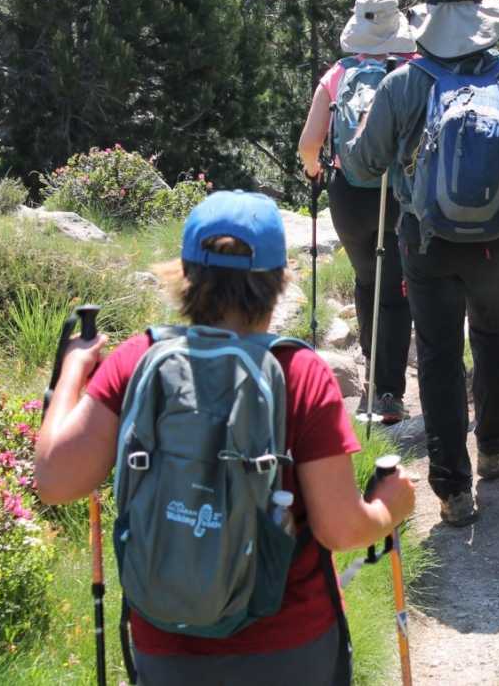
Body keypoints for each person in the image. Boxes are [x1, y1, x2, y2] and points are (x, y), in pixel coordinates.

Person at [34, 191, 415, 685]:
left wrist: (73, 370)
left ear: (185, 276)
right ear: (279, 282)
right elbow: (340, 530)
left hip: (168, 648)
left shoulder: (137, 360)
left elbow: (55, 481)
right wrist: (391, 507)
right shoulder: (298, 372)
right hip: (290, 647)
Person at [342, 0, 499, 526]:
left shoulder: (404, 82)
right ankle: (494, 450)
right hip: (495, 242)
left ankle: (453, 490)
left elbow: (362, 162)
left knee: (440, 353)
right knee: (494, 335)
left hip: (425, 241)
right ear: (480, 17)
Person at [298, 0, 416, 423]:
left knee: (367, 279)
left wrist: (316, 171)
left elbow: (308, 145)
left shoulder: (337, 75)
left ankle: (370, 370)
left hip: (348, 193)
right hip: (399, 192)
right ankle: (389, 391)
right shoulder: (414, 71)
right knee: (398, 289)